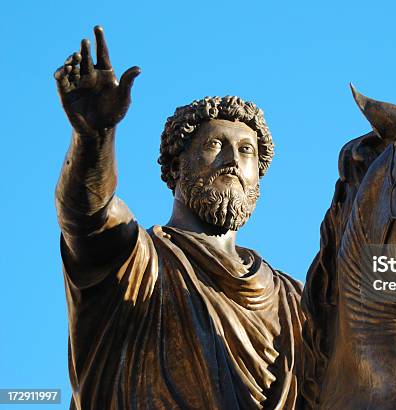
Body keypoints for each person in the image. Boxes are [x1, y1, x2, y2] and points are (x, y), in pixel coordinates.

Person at [54, 26, 303, 410]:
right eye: (215, 145)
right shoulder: (135, 259)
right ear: (176, 165)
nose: (233, 160)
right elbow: (87, 215)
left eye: (247, 151)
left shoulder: (295, 299)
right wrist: (94, 139)